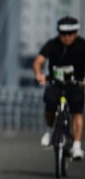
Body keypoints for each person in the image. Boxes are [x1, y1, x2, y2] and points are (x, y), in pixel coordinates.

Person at [33, 16, 85, 160]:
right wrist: (39, 74)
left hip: (75, 84)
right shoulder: (52, 44)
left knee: (77, 111)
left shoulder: (82, 45)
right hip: (55, 83)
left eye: (70, 33)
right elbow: (38, 61)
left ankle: (76, 146)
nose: (66, 37)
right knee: (49, 103)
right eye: (63, 33)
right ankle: (49, 131)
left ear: (76, 33)